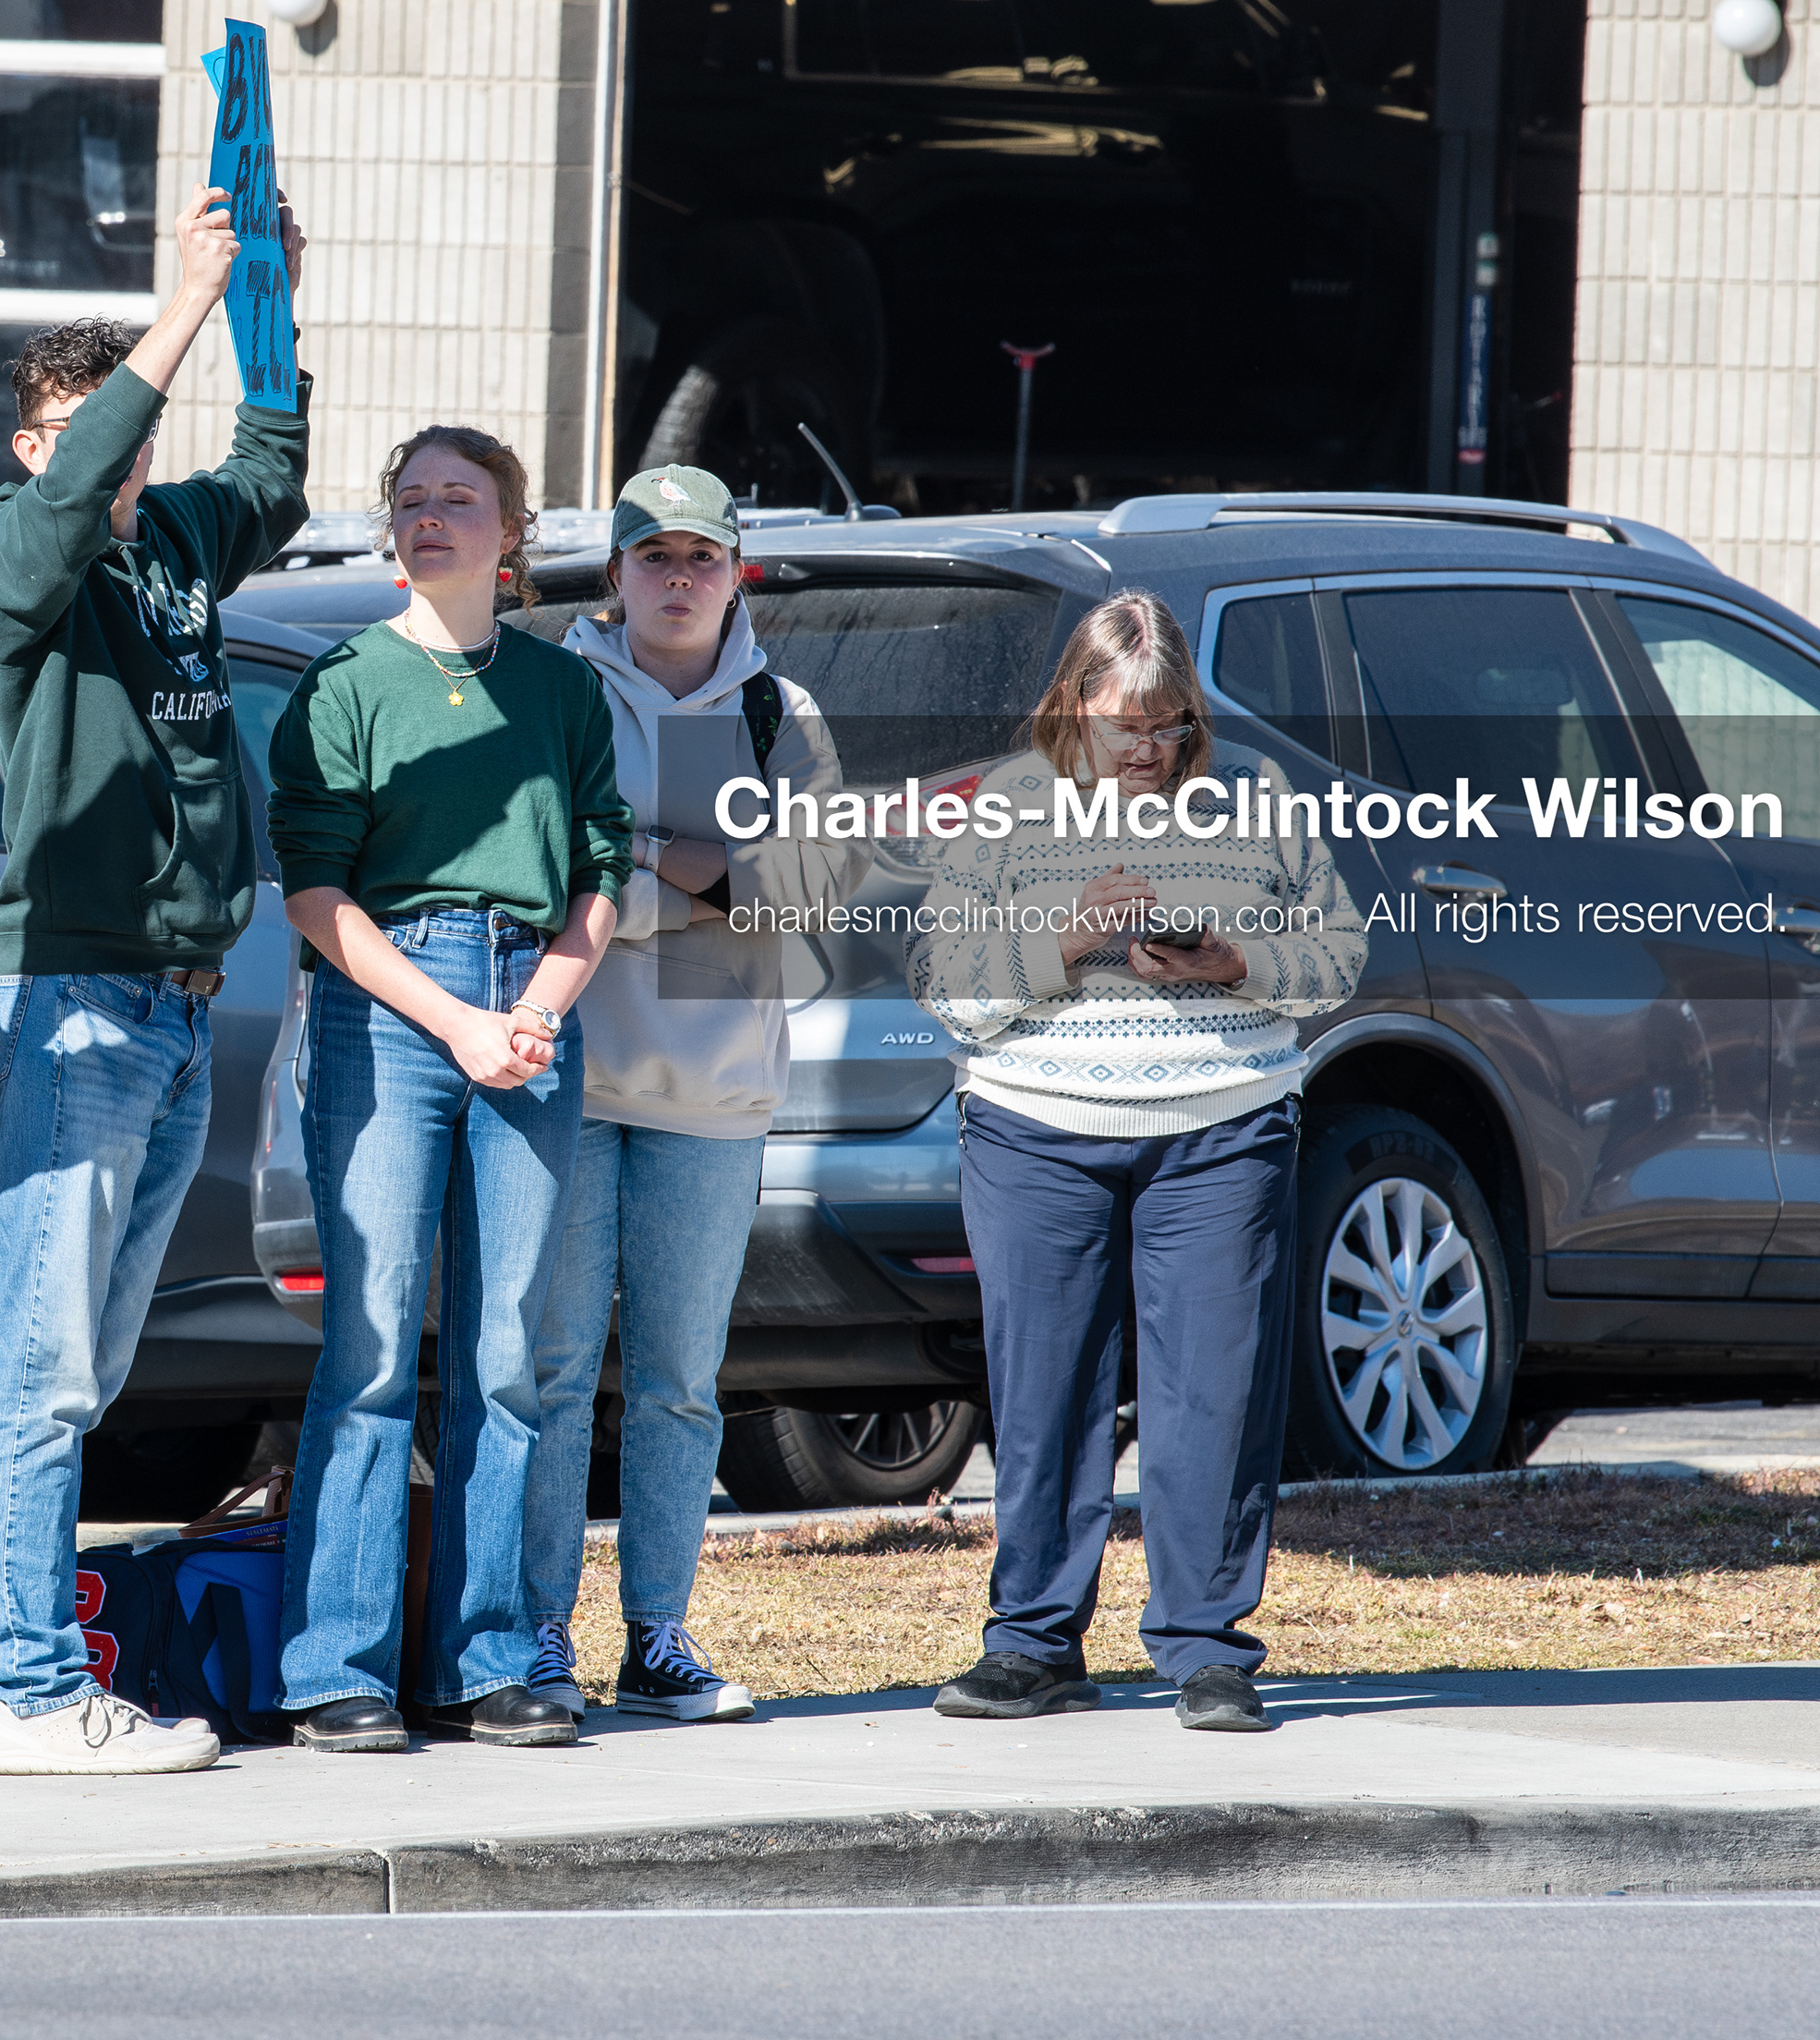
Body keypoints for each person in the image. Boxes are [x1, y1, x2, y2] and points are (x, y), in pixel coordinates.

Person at [0, 184, 312, 1777]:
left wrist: (273, 295)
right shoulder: (3, 553)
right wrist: (179, 307)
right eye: (63, 425)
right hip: (78, 996)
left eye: (108, 425)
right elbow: (77, 481)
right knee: (40, 1365)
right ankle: (28, 1689)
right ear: (31, 444)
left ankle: (37, 1676)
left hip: (174, 1003)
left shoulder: (168, 542)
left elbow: (276, 474)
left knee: (85, 1365)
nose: (92, 447)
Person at [908, 591, 1365, 1733]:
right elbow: (947, 986)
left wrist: (1231, 959)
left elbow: (1339, 957)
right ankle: (1033, 1644)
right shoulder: (1007, 806)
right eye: (1128, 727)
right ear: (1075, 706)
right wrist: (1064, 941)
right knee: (1043, 1395)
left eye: (1170, 726)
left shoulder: (1255, 796)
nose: (1153, 750)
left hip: (1223, 1132)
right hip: (1035, 1134)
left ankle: (1209, 1649)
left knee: (1213, 1392)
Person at [268, 428, 631, 1752]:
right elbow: (317, 893)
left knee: (504, 1359)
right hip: (391, 1013)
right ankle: (336, 1672)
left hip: (531, 1010)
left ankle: (487, 1661)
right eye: (411, 500)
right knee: (367, 1351)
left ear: (511, 531)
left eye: (459, 499)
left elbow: (602, 870)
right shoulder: (347, 684)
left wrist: (531, 1012)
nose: (432, 518)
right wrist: (455, 1023)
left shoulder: (561, 688)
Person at [520, 467, 867, 1725]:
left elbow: (814, 899)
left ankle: (657, 1635)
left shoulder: (781, 711)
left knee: (676, 1381)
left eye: (700, 556)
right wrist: (706, 874)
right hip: (563, 1084)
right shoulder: (555, 688)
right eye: (651, 555)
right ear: (612, 573)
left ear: (738, 571)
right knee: (553, 1375)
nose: (676, 577)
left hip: (711, 1102)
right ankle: (537, 1637)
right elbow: (548, 867)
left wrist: (635, 874)